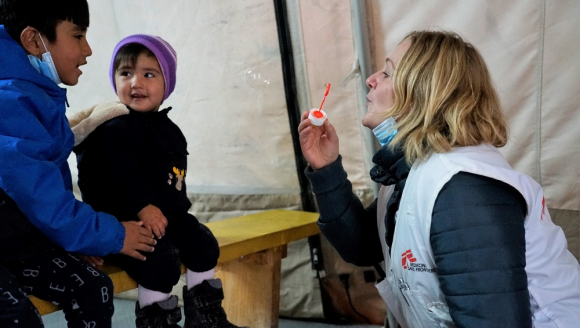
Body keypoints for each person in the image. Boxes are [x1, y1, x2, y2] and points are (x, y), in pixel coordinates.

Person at [298, 30, 580, 328]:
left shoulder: (463, 188)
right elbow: (364, 246)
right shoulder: (414, 169)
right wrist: (326, 169)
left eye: (388, 72)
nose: (371, 78)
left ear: (424, 93)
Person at [70, 34, 247, 328]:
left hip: (166, 218)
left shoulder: (171, 130)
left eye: (148, 74)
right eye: (126, 73)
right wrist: (142, 207)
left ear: (167, 84)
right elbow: (116, 178)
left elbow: (175, 177)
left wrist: (178, 213)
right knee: (159, 261)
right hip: (125, 224)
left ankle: (205, 317)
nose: (135, 83)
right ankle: (157, 322)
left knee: (204, 245)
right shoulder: (112, 129)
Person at [0, 1, 157, 328]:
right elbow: (38, 194)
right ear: (34, 41)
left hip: (20, 244)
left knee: (94, 287)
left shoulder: (40, 94)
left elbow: (51, 187)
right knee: (17, 317)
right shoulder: (9, 100)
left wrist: (75, 239)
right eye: (77, 36)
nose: (87, 50)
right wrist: (111, 234)